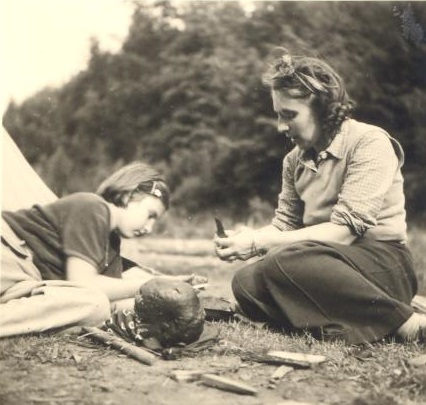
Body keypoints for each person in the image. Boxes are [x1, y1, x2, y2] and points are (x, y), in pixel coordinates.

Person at [214, 48, 425, 344]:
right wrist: (247, 239)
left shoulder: (369, 142)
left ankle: (407, 325)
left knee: (281, 263)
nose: (281, 126)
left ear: (323, 109)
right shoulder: (293, 160)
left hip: (381, 263)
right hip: (319, 262)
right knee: (246, 281)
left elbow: (343, 233)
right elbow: (285, 225)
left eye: (289, 115)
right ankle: (345, 327)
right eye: (278, 115)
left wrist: (259, 242)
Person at [1, 160, 178, 337]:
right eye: (150, 215)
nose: (149, 228)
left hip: (24, 280)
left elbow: (109, 300)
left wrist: (171, 290)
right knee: (92, 300)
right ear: (128, 195)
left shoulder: (111, 243)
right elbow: (84, 283)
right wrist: (152, 285)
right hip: (8, 255)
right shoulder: (93, 207)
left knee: (95, 305)